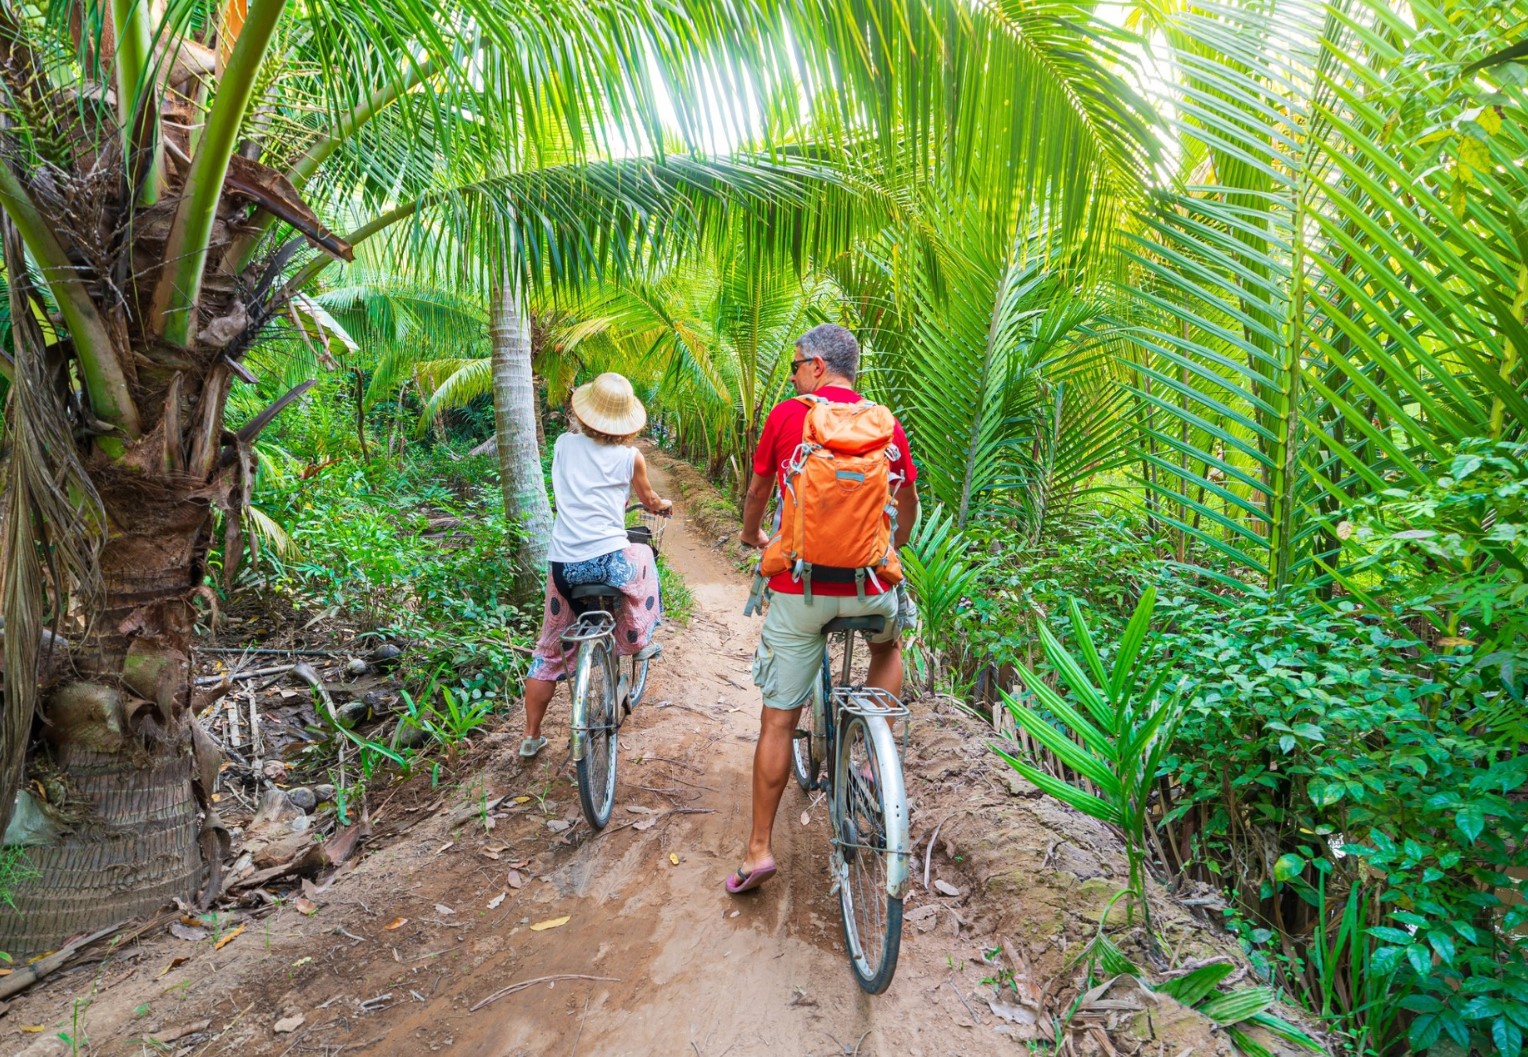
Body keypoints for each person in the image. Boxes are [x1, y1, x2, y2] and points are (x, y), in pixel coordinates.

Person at [728, 324, 918, 893]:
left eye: (793, 366)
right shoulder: (884, 424)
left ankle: (759, 850)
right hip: (867, 586)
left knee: (778, 721)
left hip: (799, 592)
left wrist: (752, 534)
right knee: (889, 644)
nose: (790, 375)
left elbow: (759, 491)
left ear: (815, 366)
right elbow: (906, 501)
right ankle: (869, 748)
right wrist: (893, 545)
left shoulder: (789, 417)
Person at [518, 372, 672, 759]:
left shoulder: (563, 444)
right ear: (625, 422)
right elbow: (649, 500)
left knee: (549, 650)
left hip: (564, 567)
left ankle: (531, 736)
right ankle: (636, 638)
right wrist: (662, 505)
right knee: (643, 557)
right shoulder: (629, 457)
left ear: (584, 413)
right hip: (608, 563)